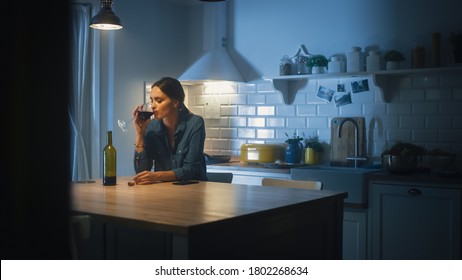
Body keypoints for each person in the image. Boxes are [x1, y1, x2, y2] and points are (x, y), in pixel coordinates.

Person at [133, 77, 207, 184]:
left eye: (159, 101)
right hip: (165, 192)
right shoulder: (152, 126)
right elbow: (141, 172)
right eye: (151, 100)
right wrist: (140, 134)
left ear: (176, 102)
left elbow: (191, 170)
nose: (153, 105)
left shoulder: (195, 123)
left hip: (193, 191)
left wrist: (157, 176)